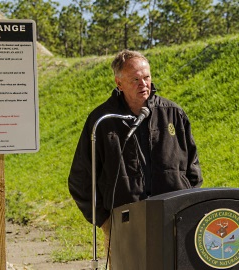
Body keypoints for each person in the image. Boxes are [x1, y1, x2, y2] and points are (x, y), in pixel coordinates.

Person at [68, 49, 203, 268]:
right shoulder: (103, 121)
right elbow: (81, 179)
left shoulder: (173, 114)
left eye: (147, 77)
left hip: (173, 219)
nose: (144, 84)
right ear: (118, 83)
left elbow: (193, 168)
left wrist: (188, 206)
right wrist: (104, 220)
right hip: (125, 222)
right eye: (135, 79)